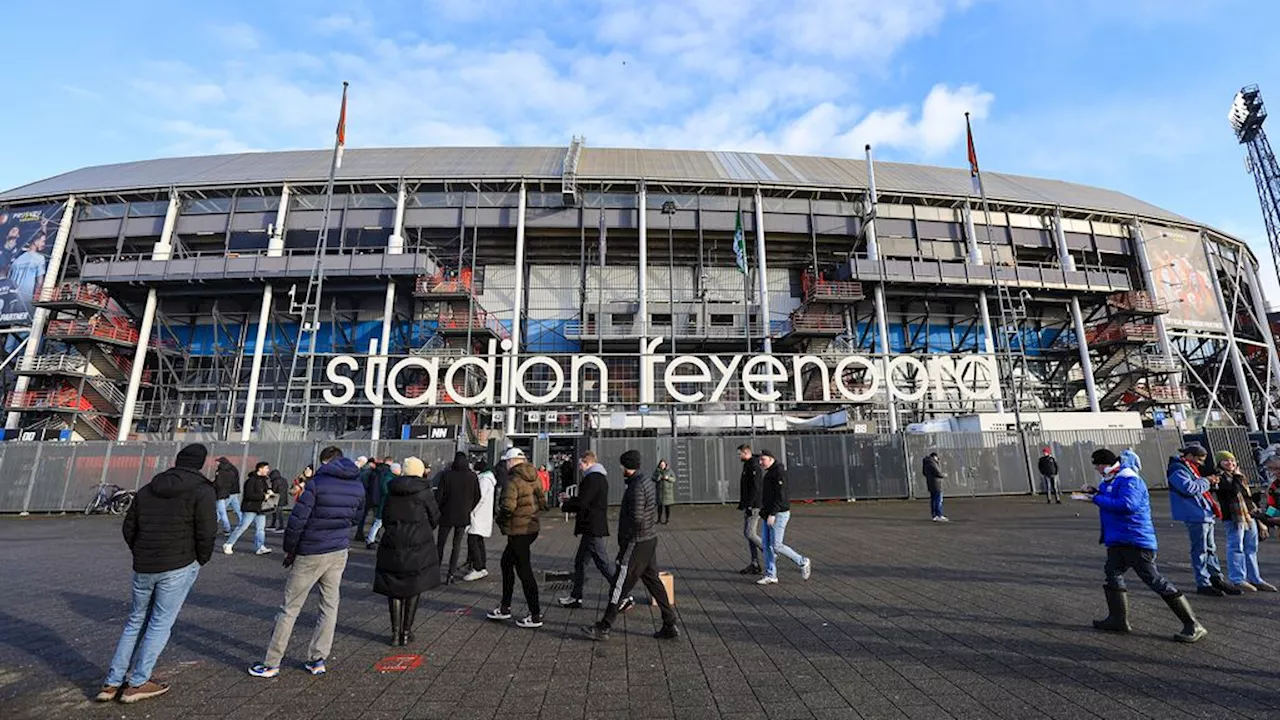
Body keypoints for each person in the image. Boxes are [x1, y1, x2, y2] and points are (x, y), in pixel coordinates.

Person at [97, 444, 216, 704]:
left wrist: (141, 552)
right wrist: (201, 558)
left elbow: (130, 527)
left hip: (145, 565)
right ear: (201, 463)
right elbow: (207, 530)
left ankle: (112, 682)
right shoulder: (202, 490)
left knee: (135, 621)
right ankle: (138, 681)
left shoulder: (148, 489)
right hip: (179, 563)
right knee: (160, 622)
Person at [249, 446, 364, 679]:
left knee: (290, 608)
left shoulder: (317, 484)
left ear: (325, 462)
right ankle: (318, 658)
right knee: (329, 606)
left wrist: (290, 549)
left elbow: (297, 520)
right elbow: (357, 516)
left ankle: (272, 662)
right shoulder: (357, 485)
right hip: (338, 549)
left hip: (311, 550)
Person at [1082, 448, 1207, 643]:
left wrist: (1095, 498)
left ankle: (1193, 624)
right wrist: (1096, 492)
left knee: (1154, 580)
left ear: (1110, 464)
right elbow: (1115, 499)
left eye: (1099, 464)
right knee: (1112, 572)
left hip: (1135, 539)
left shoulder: (1130, 480)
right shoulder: (1114, 480)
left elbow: (1127, 505)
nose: (1097, 468)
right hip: (1119, 539)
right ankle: (1118, 619)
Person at [581, 450, 678, 641]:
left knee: (620, 584)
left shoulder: (635, 487)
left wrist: (625, 542)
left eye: (622, 466)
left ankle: (604, 626)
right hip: (649, 540)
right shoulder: (646, 482)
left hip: (636, 542)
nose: (620, 469)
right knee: (654, 583)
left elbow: (637, 518)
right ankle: (670, 623)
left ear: (627, 467)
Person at [374, 457, 441, 646]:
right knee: (414, 586)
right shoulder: (424, 491)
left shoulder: (392, 490)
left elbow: (385, 517)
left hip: (393, 542)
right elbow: (435, 517)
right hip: (418, 542)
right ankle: (406, 632)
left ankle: (394, 633)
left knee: (393, 587)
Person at [558, 450, 633, 611]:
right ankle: (576, 597)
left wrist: (566, 505)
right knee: (580, 563)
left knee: (603, 563)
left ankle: (623, 596)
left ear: (588, 462)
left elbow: (584, 502)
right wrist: (571, 500)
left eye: (580, 464)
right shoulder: (599, 478)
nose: (579, 467)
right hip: (592, 526)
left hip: (591, 527)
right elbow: (588, 500)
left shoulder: (592, 479)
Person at [1166, 444, 1239, 596]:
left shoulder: (1188, 467)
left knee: (1210, 549)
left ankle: (1215, 578)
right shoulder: (1177, 469)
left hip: (1203, 513)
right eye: (1199, 459)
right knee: (1200, 549)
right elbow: (1188, 488)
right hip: (1195, 514)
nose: (1201, 462)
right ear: (1190, 456)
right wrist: (1207, 481)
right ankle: (1203, 582)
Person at [486, 447, 546, 628]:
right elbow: (542, 501)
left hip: (517, 530)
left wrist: (500, 521)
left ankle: (534, 615)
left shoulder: (512, 481)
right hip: (531, 528)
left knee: (524, 570)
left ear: (511, 462)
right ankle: (505, 607)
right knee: (506, 563)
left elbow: (507, 507)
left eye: (506, 461)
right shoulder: (534, 476)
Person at [1214, 451, 1276, 592]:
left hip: (1248, 515)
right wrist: (1236, 476)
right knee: (1236, 547)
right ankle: (1237, 578)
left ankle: (1255, 578)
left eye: (1232, 460)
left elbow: (1247, 498)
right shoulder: (1220, 478)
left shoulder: (1240, 476)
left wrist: (1260, 519)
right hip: (1234, 517)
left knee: (1251, 547)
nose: (1230, 463)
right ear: (1219, 464)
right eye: (1226, 461)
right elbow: (1234, 490)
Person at [756, 450, 812, 585]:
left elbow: (781, 496)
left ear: (771, 459)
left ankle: (802, 561)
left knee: (776, 545)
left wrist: (773, 514)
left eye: (763, 459)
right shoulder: (770, 472)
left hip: (778, 514)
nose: (760, 462)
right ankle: (771, 574)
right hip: (769, 513)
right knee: (766, 545)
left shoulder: (779, 473)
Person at [435, 452, 480, 584]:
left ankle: (435, 571)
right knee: (457, 545)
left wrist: (440, 509)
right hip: (462, 515)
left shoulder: (447, 475)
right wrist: (469, 508)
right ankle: (451, 574)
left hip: (446, 514)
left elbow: (439, 496)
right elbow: (478, 496)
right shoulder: (472, 476)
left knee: (441, 544)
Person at [223, 462, 275, 556]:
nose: (268, 470)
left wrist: (269, 491)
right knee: (242, 527)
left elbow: (265, 489)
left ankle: (260, 547)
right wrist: (263, 496)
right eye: (266, 468)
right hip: (250, 508)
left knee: (260, 529)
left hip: (261, 508)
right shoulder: (250, 481)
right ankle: (228, 544)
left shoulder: (263, 480)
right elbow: (249, 495)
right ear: (260, 469)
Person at [462, 459, 497, 581]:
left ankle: (478, 568)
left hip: (478, 515)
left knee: (473, 541)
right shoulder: (489, 479)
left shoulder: (483, 480)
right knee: (479, 541)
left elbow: (479, 497)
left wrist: (471, 510)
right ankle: (481, 566)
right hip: (483, 515)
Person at [737, 443, 764, 575]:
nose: (739, 456)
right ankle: (754, 563)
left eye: (740, 454)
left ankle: (768, 551)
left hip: (754, 506)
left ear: (746, 453)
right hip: (749, 505)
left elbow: (755, 488)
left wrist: (749, 504)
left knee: (750, 533)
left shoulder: (753, 466)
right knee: (748, 535)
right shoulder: (747, 465)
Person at [365, 458, 397, 549]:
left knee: (378, 522)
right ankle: (371, 539)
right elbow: (385, 490)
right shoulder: (388, 478)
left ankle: (372, 539)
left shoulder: (380, 474)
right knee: (378, 523)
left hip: (378, 500)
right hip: (384, 503)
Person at [213, 456, 241, 535]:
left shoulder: (220, 472)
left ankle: (226, 528)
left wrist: (213, 484)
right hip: (227, 492)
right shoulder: (231, 471)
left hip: (221, 493)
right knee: (233, 508)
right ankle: (239, 523)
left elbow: (218, 483)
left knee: (221, 511)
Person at [352, 456, 375, 540]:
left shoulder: (359, 471)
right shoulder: (368, 472)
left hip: (359, 494)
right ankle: (360, 533)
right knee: (363, 515)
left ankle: (359, 533)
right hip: (366, 496)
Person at [923, 452, 948, 522]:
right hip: (936, 484)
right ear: (934, 457)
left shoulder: (926, 463)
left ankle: (934, 515)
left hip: (931, 484)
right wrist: (944, 475)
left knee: (933, 500)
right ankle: (939, 515)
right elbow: (938, 473)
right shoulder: (933, 463)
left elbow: (924, 473)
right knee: (938, 500)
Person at [654, 459, 676, 524]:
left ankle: (667, 520)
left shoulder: (669, 471)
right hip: (660, 492)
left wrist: (668, 478)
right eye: (661, 465)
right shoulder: (657, 471)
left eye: (663, 464)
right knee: (659, 507)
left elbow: (674, 479)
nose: (662, 466)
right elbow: (653, 478)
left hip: (667, 492)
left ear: (665, 465)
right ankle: (659, 519)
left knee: (667, 507)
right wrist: (658, 477)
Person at [268, 468, 289, 533]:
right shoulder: (284, 480)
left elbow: (274, 490)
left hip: (277, 499)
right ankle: (277, 526)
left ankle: (279, 526)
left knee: (277, 513)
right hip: (283, 498)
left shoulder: (275, 481)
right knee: (279, 512)